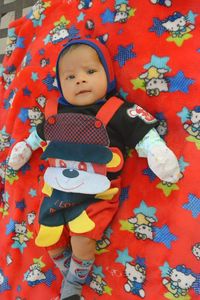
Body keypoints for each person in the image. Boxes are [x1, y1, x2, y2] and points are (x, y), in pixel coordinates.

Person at [8, 38, 181, 300]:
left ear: (108, 76)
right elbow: (37, 135)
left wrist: (156, 151)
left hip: (96, 195)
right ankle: (71, 273)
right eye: (70, 76)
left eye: (90, 72)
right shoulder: (55, 113)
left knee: (82, 241)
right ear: (60, 85)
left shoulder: (118, 111)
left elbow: (143, 134)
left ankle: (73, 288)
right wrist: (25, 148)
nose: (80, 80)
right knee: (48, 241)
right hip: (54, 191)